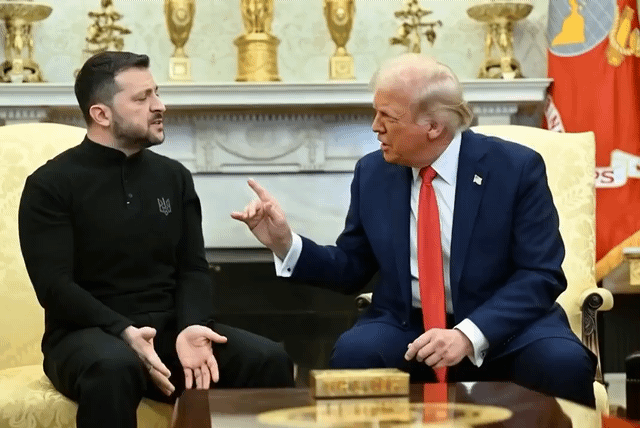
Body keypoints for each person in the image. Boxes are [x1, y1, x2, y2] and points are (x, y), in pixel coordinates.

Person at [232, 53, 596, 407]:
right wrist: (285, 243)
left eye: (388, 117)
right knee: (355, 354)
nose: (375, 126)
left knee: (561, 363)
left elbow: (540, 273)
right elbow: (351, 267)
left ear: (433, 127)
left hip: (505, 326)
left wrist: (467, 335)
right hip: (408, 324)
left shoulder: (515, 168)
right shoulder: (373, 172)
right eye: (375, 113)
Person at [18, 51, 294, 428]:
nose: (159, 106)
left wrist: (192, 326)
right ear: (101, 114)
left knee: (267, 359)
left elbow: (192, 268)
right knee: (114, 366)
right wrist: (123, 331)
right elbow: (54, 287)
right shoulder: (50, 184)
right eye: (142, 98)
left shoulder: (173, 177)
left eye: (157, 93)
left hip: (169, 333)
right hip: (86, 335)